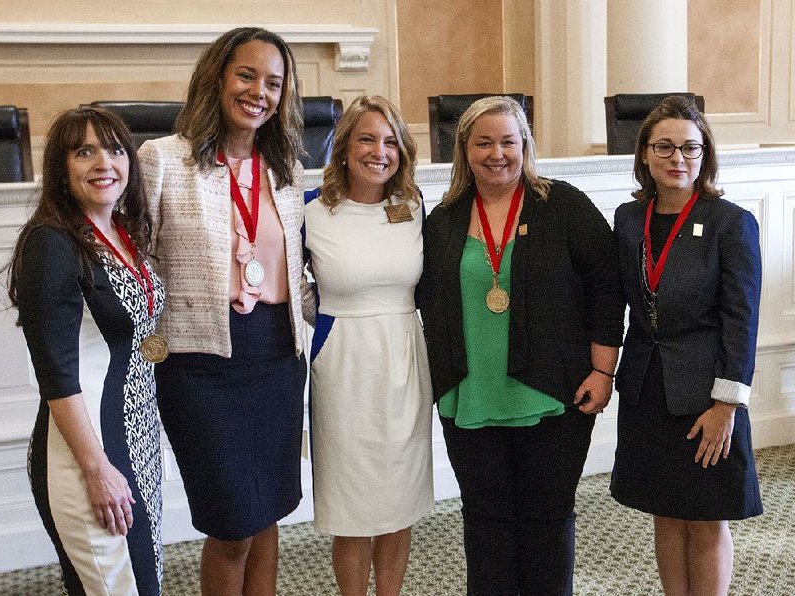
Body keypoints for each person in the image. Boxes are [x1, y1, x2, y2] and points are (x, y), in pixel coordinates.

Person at [420, 96, 624, 596]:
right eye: (483, 142)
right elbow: (422, 296)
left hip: (555, 394)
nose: (496, 154)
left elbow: (606, 284)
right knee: (485, 522)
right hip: (468, 395)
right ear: (463, 149)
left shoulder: (562, 204)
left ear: (525, 144)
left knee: (547, 520)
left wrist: (604, 370)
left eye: (508, 141)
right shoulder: (444, 218)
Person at [137, 27, 312, 596]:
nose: (259, 91)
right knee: (232, 525)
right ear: (216, 77)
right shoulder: (162, 160)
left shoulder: (286, 172)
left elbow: (298, 272)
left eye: (274, 82)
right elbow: (131, 262)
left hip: (276, 358)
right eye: (246, 75)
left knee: (267, 517)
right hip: (200, 365)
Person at [2, 107, 165, 595]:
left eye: (115, 149)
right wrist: (96, 470)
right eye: (84, 151)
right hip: (87, 455)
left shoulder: (119, 232)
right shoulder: (52, 243)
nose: (104, 162)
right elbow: (56, 374)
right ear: (61, 166)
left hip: (134, 442)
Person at [610, 95, 763, 595]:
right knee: (666, 511)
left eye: (691, 149)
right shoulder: (629, 219)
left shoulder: (730, 222)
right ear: (646, 155)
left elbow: (742, 319)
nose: (679, 159)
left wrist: (726, 404)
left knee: (706, 517)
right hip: (647, 388)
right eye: (666, 147)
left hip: (706, 395)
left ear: (705, 155)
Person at [303, 95, 434, 596]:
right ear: (343, 147)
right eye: (366, 139)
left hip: (403, 358)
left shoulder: (413, 207)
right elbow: (287, 283)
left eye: (390, 141)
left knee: (399, 501)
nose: (379, 151)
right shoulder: (312, 210)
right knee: (352, 508)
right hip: (343, 364)